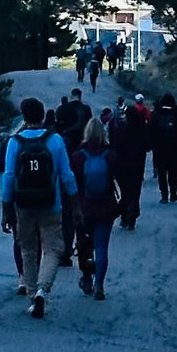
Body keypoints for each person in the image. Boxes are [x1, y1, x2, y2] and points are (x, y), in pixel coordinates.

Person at [1, 95, 78, 318]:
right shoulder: (55, 141)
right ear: (43, 115)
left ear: (24, 117)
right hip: (51, 204)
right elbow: (66, 175)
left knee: (28, 249)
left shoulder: (15, 142)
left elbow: (8, 176)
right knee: (53, 249)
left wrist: (7, 209)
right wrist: (76, 204)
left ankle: (32, 294)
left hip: (23, 205)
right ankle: (43, 290)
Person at [70, 113, 120, 298]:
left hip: (83, 208)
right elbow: (119, 179)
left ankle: (87, 277)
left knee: (84, 245)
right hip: (106, 207)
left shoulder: (77, 157)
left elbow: (71, 183)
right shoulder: (111, 155)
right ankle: (100, 284)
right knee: (102, 247)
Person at [110, 96, 149, 229]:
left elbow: (115, 146)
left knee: (125, 192)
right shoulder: (142, 130)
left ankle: (123, 215)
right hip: (137, 166)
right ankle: (131, 217)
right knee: (135, 192)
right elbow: (147, 146)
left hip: (122, 166)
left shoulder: (121, 130)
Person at [151, 94, 177, 203]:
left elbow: (152, 133)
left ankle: (164, 195)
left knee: (162, 173)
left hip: (160, 149)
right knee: (173, 172)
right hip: (174, 149)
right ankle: (174, 194)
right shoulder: (176, 116)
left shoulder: (156, 116)